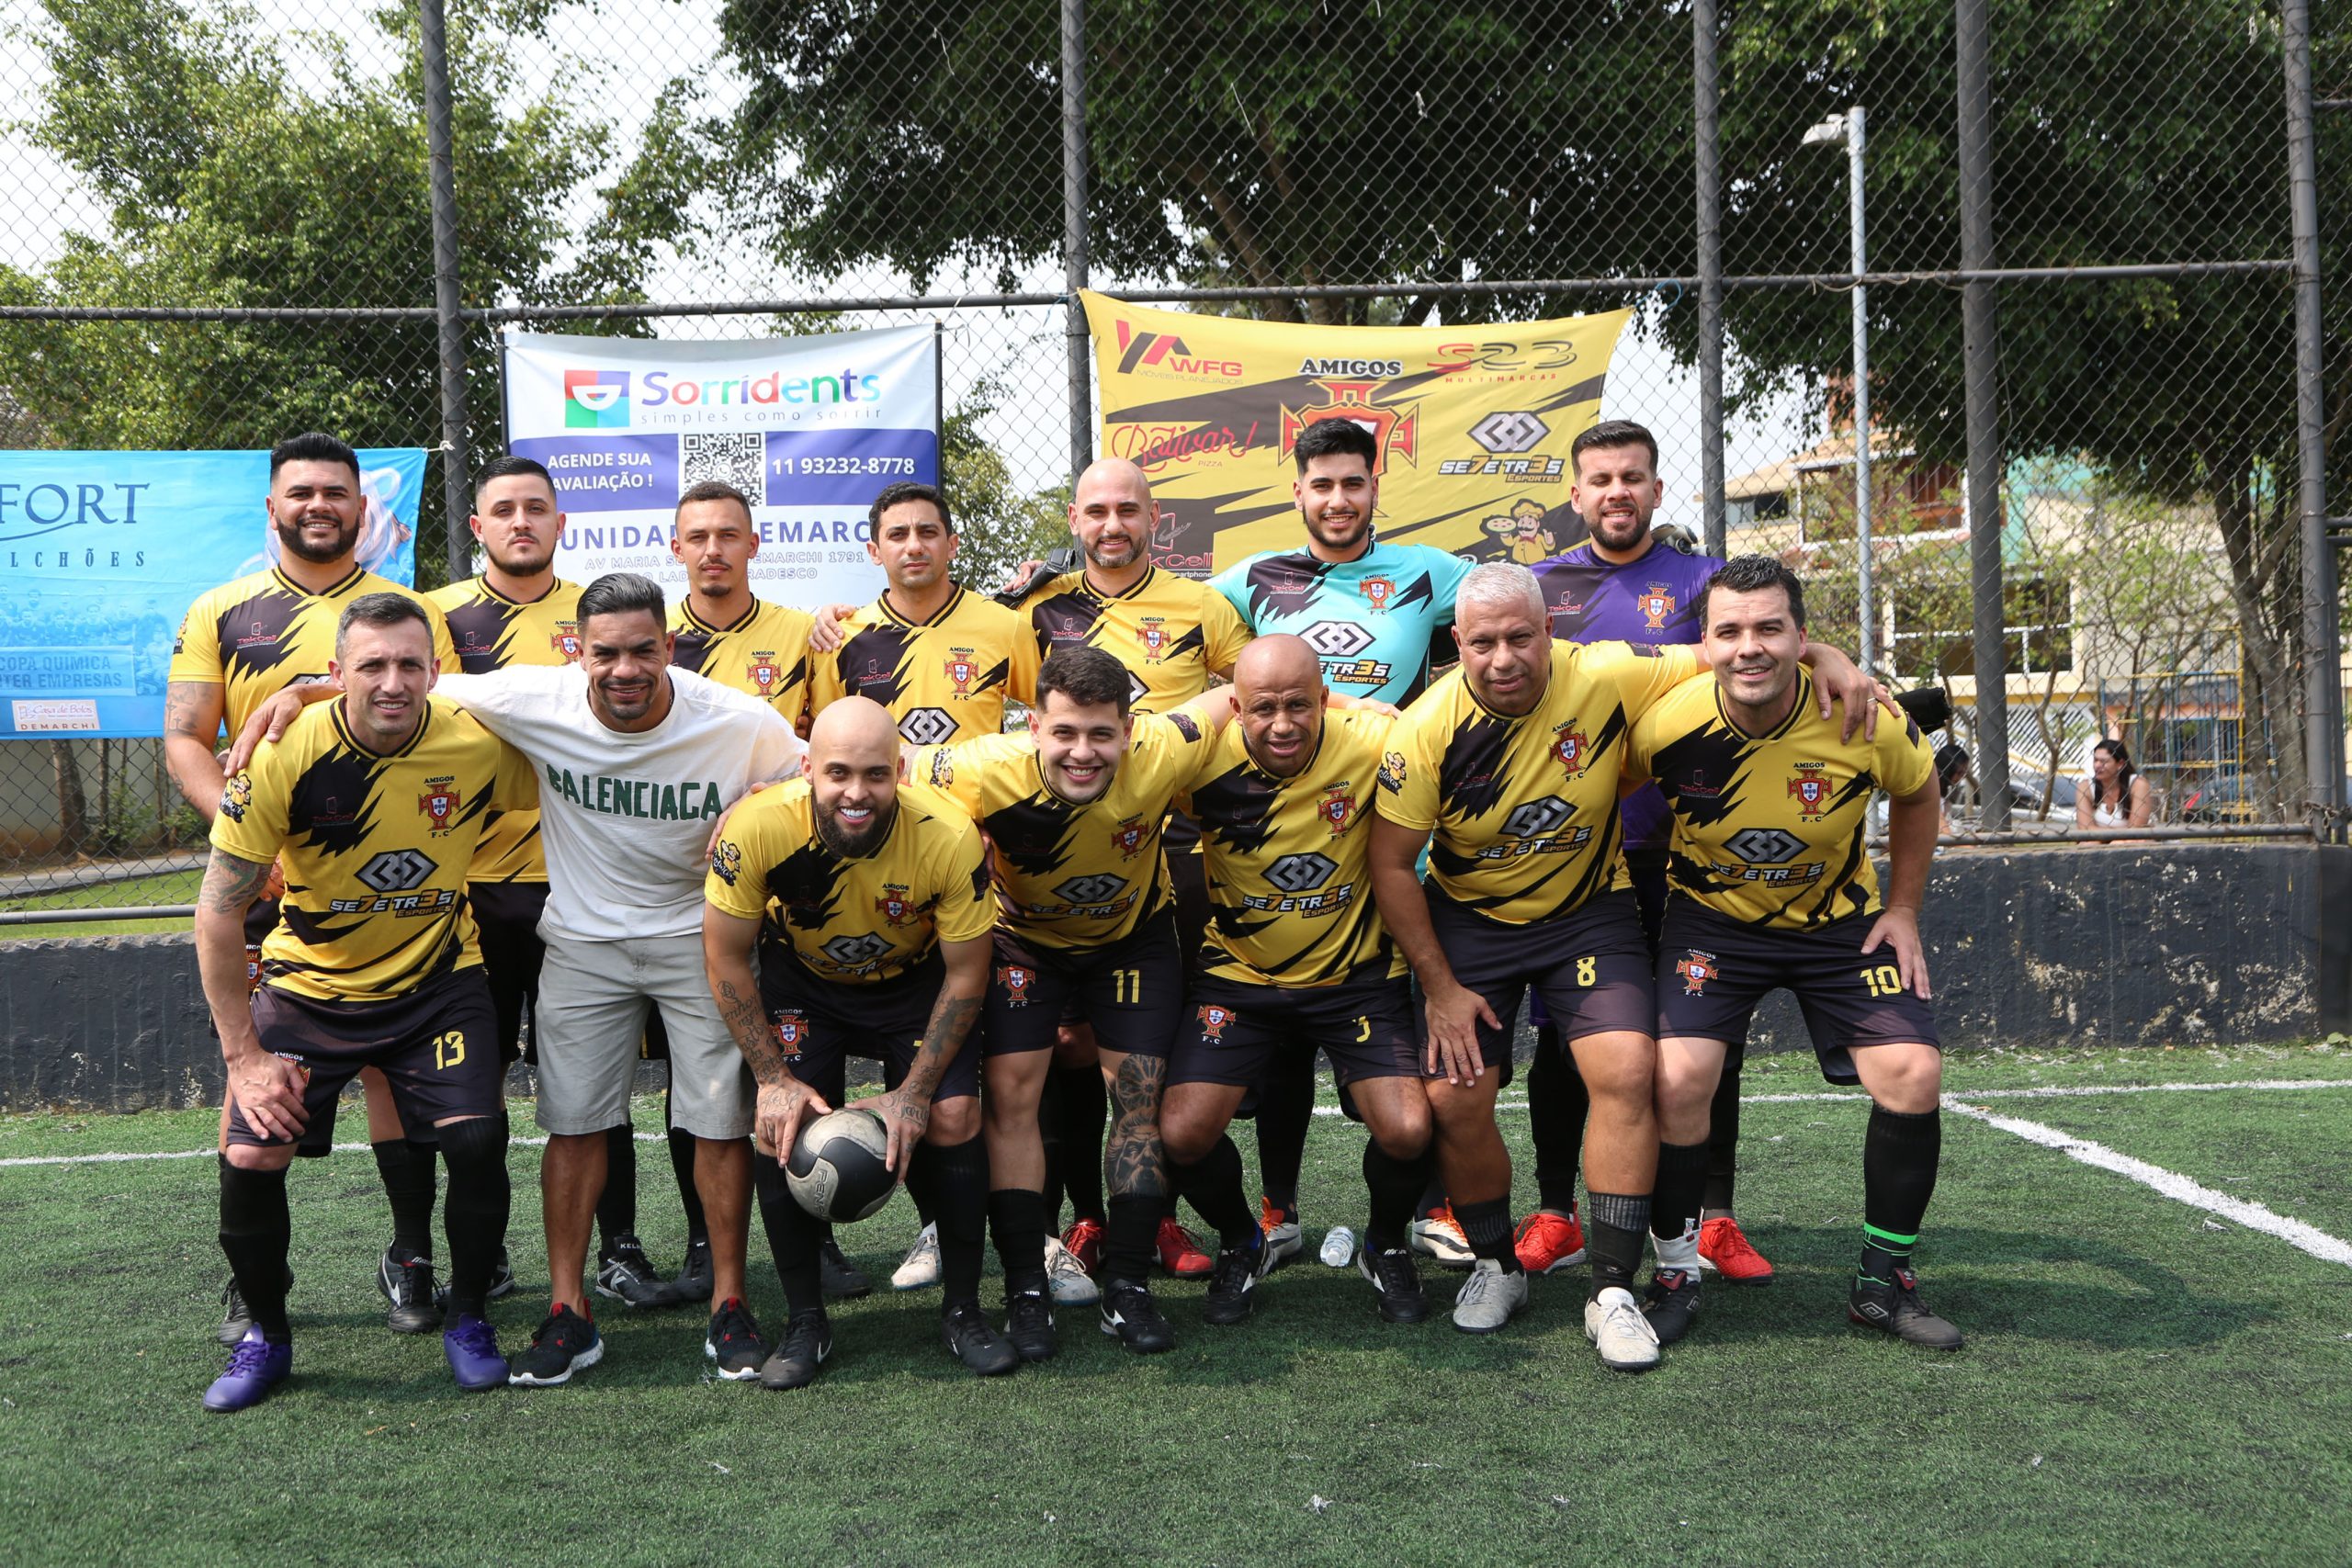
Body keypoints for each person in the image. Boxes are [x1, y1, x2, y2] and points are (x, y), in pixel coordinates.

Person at [233, 572, 807, 1386]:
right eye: (604, 652)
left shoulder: (737, 719)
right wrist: (295, 692)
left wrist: (765, 795)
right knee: (572, 1125)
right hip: (581, 941)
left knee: (717, 1125)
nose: (624, 669)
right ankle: (568, 1311)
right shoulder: (534, 698)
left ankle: (729, 1304)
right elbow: (399, 682)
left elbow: (819, 777)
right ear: (578, 653)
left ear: (669, 647)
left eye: (644, 649)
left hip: (697, 938)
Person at [1368, 562, 1878, 1362]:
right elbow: (1392, 864)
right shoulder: (1424, 729)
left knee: (1628, 1067)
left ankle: (1611, 1287)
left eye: (1521, 638)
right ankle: (1499, 1266)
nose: (1504, 658)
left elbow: (1741, 655)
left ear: (1550, 634)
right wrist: (1437, 987)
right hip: (1472, 922)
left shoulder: (1605, 668)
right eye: (1484, 643)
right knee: (1456, 1092)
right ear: (1455, 645)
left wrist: (1835, 660)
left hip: (1589, 913)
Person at [194, 593, 526, 1410]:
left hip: (438, 984)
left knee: (479, 1141)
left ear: (436, 673)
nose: (392, 682)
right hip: (310, 990)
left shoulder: (477, 742)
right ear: (336, 673)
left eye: (409, 664)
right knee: (251, 1154)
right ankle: (266, 1336)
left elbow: (595, 739)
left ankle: (470, 1319)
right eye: (371, 665)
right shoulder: (284, 749)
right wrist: (244, 1057)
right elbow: (217, 908)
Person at [166, 431, 458, 1345]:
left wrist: (309, 690)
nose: (319, 506)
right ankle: (255, 1278)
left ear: (361, 508)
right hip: (263, 878)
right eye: (301, 493)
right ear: (272, 508)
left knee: (388, 1060)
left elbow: (445, 719)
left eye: (336, 492)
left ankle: (411, 1255)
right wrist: (251, 838)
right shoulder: (221, 607)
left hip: (383, 880)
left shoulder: (407, 610)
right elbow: (185, 738)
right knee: (254, 1060)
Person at [1627, 555, 1961, 1352]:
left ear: (1802, 639)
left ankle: (1883, 1283)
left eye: (1770, 628)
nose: (1751, 647)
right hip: (1711, 924)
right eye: (1731, 630)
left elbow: (1918, 793)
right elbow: (1601, 801)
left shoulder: (1863, 716)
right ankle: (1674, 1271)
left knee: (1913, 1073)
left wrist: (1905, 909)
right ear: (1703, 643)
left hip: (1837, 926)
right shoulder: (1667, 725)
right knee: (1678, 1077)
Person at [913, 647, 1237, 1357]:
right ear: (1033, 726)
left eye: (1100, 733)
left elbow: (1239, 692)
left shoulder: (1167, 745)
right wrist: (757, 801)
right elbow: (875, 768)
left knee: (1139, 1101)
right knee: (1011, 1099)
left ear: (1130, 726)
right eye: (1064, 733)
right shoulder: (976, 767)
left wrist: (1350, 705)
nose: (1082, 752)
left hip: (1132, 943)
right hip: (1024, 946)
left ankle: (1126, 1287)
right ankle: (1027, 1288)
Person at [1206, 417, 1476, 1269]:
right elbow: (1160, 627)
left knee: (1413, 1040)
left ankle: (1431, 1210)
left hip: (1399, 839)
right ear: (1297, 492)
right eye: (1320, 484)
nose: (1336, 499)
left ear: (1374, 488)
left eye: (1352, 483)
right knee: (1285, 1039)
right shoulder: (1252, 580)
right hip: (1289, 840)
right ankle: (1278, 1209)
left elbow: (1526, 611)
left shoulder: (1428, 573)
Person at [1515, 420, 1775, 1288]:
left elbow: (1776, 649)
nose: (1617, 491)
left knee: (1702, 1036)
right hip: (1577, 858)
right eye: (1601, 478)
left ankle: (1714, 1215)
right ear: (1576, 495)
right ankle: (1557, 1211)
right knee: (1563, 1040)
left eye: (1633, 476)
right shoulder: (1537, 591)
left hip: (1690, 848)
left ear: (1658, 490)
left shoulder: (1706, 583)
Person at [1001, 458, 1253, 1293]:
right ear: (1074, 518)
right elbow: (997, 720)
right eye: (1097, 511)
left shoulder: (1203, 603)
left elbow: (1254, 691)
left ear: (1155, 519)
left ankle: (1163, 1218)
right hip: (1055, 850)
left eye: (1129, 511)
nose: (1113, 525)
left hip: (1171, 852)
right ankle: (1088, 1213)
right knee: (1063, 1048)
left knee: (1145, 1061)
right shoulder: (1034, 611)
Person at [702, 698, 1006, 1387]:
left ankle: (964, 1310)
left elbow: (967, 974)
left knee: (956, 1113)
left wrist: (916, 1094)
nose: (856, 793)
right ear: (807, 768)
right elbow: (723, 957)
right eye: (838, 772)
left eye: (875, 774)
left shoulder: (948, 834)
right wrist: (773, 1078)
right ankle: (805, 1320)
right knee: (776, 1127)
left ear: (900, 770)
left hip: (913, 983)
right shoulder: (756, 827)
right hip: (803, 985)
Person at [1159, 636, 1433, 1325]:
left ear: (1323, 699)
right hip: (1238, 978)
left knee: (1407, 1128)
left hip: (1355, 976)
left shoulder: (1372, 739)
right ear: (1235, 707)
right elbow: (1124, 757)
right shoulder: (1200, 756)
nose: (1282, 724)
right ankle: (1241, 1242)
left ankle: (1386, 1245)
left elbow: (1439, 741)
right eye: (1262, 709)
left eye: (1298, 705)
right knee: (1184, 1134)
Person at [806, 479, 1037, 1292]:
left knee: (977, 1075)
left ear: (951, 543)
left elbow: (1046, 730)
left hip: (972, 873)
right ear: (874, 549)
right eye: (896, 534)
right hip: (872, 870)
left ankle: (1014, 1230)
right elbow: (821, 750)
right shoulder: (840, 636)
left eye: (928, 532)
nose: (913, 545)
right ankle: (916, 1230)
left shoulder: (1008, 626)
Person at [424, 456, 602, 1303]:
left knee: (591, 1081)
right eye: (504, 509)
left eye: (537, 508)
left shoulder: (600, 613)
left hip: (579, 882)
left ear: (560, 523)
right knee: (476, 1089)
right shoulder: (436, 615)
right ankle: (479, 1255)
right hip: (472, 890)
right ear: (478, 527)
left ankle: (623, 1248)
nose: (521, 521)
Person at [2075, 739, 2153, 840]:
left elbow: (2136, 830)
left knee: (2118, 844)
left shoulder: (2138, 784)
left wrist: (2102, 835)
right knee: (2088, 844)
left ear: (2120, 764)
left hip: (2131, 842)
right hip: (2098, 842)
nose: (2097, 766)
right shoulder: (2085, 787)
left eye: (2104, 761)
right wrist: (2115, 835)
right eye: (2095, 760)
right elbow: (2085, 829)